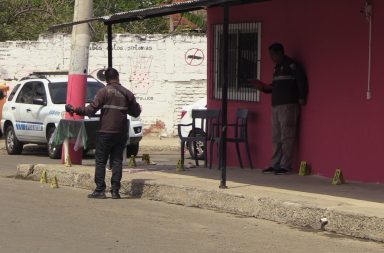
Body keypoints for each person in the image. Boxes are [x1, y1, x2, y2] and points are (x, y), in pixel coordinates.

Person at [66, 68, 141, 198]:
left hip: (105, 131)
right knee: (117, 161)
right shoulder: (127, 93)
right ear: (118, 77)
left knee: (101, 161)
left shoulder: (103, 92)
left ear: (106, 79)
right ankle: (115, 191)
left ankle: (100, 190)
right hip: (121, 133)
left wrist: (75, 110)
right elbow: (136, 112)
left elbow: (90, 111)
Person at [251, 43, 308, 175]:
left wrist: (302, 96)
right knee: (276, 136)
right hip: (276, 105)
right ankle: (275, 164)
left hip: (288, 105)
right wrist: (263, 88)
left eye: (272, 55)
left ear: (280, 53)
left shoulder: (291, 65)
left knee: (287, 135)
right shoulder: (276, 68)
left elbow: (301, 80)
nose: (271, 58)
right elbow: (275, 86)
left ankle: (285, 165)